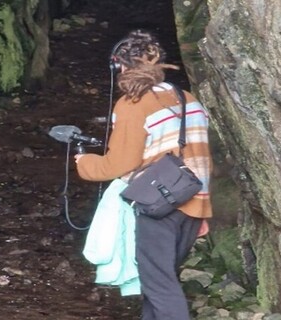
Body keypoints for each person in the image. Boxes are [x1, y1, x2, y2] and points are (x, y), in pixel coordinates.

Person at [75, 29, 213, 320]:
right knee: (160, 281)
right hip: (192, 199)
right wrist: (202, 211)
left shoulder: (132, 105)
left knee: (159, 285)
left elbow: (119, 164)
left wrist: (84, 162)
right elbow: (202, 158)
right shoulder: (188, 98)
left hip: (158, 206)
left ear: (121, 67)